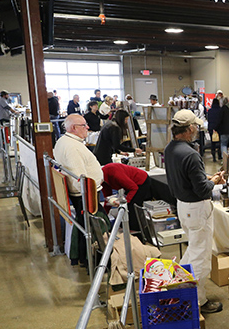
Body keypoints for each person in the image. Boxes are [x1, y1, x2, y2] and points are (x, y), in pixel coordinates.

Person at [164, 109, 225, 314]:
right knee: (200, 257)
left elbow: (186, 180)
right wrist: (214, 181)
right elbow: (202, 190)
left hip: (183, 205)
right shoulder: (191, 154)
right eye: (196, 127)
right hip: (197, 208)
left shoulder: (170, 149)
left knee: (193, 249)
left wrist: (205, 178)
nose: (197, 130)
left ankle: (179, 287)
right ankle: (196, 301)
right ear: (189, 129)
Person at [52, 114, 104, 267]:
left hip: (83, 193)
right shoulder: (73, 147)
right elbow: (80, 177)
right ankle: (90, 261)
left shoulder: (64, 141)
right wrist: (88, 195)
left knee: (84, 227)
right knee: (94, 227)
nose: (87, 127)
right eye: (84, 125)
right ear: (73, 128)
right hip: (85, 194)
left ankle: (84, 258)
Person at [101, 163, 159, 232]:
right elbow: (107, 198)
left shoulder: (115, 174)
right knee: (126, 207)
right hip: (131, 184)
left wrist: (124, 202)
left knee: (132, 206)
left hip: (141, 181)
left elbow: (133, 188)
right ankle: (126, 227)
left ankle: (136, 231)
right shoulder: (103, 181)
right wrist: (104, 215)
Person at [206, 98, 222, 162]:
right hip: (219, 128)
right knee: (220, 142)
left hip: (211, 128)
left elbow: (208, 119)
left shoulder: (209, 111)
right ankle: (219, 155)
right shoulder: (220, 110)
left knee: (213, 142)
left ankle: (213, 157)